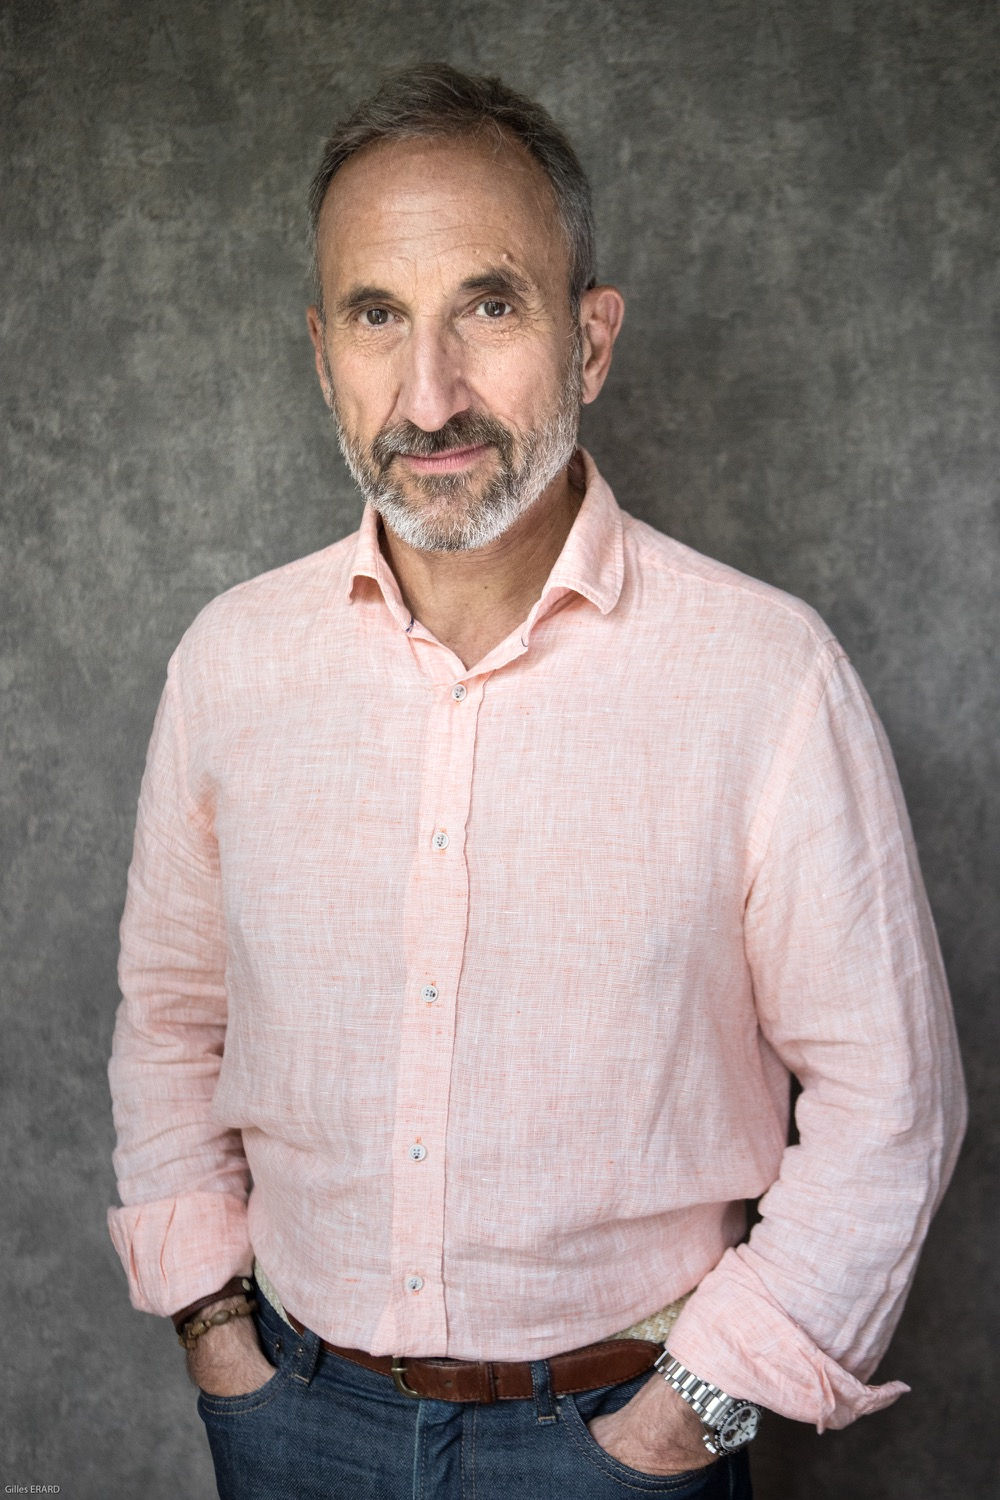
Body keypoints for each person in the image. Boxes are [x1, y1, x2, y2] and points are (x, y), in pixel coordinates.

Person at [108, 63, 966, 1500]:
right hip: (291, 1420)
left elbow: (892, 1103)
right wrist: (215, 1334)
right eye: (378, 315)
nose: (429, 392)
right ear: (322, 353)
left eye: (490, 307)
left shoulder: (768, 677)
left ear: (592, 341)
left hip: (619, 1440)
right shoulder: (228, 665)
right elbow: (171, 1021)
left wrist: (682, 1419)